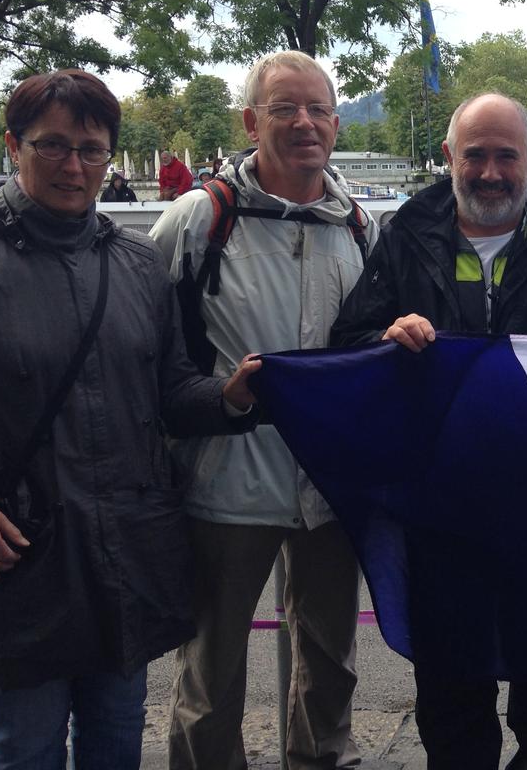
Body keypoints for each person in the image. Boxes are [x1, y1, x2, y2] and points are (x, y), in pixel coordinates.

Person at [0, 69, 260, 769]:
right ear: (12, 145)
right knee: (25, 745)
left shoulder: (136, 264)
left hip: (126, 544)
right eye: (52, 146)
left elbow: (170, 390)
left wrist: (232, 397)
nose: (74, 166)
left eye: (91, 150)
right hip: (21, 550)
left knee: (118, 738)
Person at [330, 92, 527, 770]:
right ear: (450, 157)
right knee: (453, 696)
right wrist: (386, 337)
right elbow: (349, 344)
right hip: (441, 512)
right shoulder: (405, 237)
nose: (490, 172)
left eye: (505, 156)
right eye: (475, 155)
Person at [151, 50, 378, 770]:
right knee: (211, 673)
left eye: (316, 109)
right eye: (284, 108)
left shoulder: (361, 228)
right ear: (252, 122)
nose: (303, 123)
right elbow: (146, 341)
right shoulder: (199, 218)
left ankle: (320, 762)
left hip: (328, 485)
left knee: (329, 658)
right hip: (226, 481)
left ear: (336, 125)